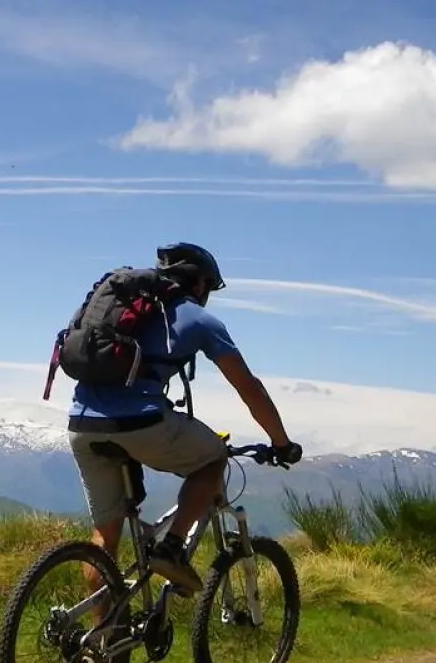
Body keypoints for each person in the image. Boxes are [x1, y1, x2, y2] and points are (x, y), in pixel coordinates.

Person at [68, 242, 302, 609]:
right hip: (140, 422)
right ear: (200, 284)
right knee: (213, 457)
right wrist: (281, 442)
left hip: (81, 423)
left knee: (104, 540)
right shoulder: (199, 319)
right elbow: (249, 388)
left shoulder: (130, 306)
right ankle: (172, 548)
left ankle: (106, 638)